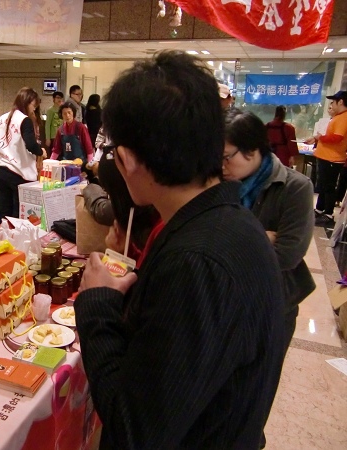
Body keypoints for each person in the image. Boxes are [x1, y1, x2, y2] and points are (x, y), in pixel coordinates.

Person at [75, 51, 285, 449]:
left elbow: (134, 429)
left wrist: (98, 304)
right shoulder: (232, 222)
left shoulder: (196, 261)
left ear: (127, 160)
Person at [223, 109, 315, 357]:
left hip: (272, 304)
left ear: (252, 151)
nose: (220, 167)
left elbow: (287, 254)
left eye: (226, 158)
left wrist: (229, 240)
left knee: (258, 383)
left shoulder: (295, 188)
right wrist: (263, 236)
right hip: (224, 300)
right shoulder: (219, 182)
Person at [0, 87, 47, 218]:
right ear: (26, 102)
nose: (34, 109)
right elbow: (31, 145)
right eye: (33, 105)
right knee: (17, 218)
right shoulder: (24, 120)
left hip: (2, 173)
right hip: (19, 175)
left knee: (5, 215)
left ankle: (3, 238)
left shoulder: (2, 118)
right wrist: (42, 152)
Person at [305, 90, 347, 226]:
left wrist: (320, 137)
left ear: (340, 102)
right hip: (326, 157)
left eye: (333, 102)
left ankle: (328, 214)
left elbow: (337, 137)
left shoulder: (344, 118)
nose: (331, 105)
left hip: (332, 159)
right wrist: (316, 139)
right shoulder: (338, 117)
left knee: (329, 186)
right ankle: (319, 209)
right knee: (323, 185)